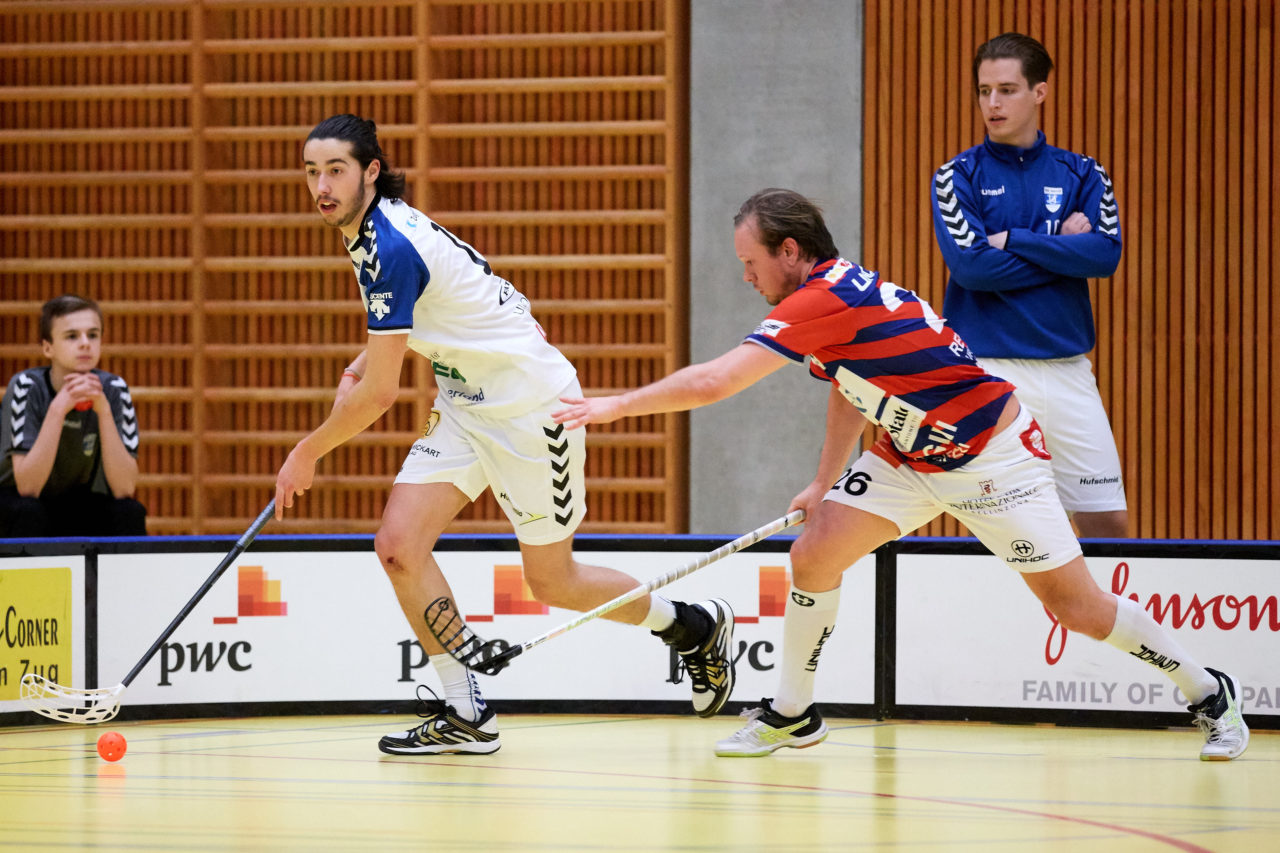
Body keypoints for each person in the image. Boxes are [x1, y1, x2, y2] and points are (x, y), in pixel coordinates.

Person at [553, 188, 1249, 761]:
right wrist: (824, 481)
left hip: (991, 459)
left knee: (1077, 608)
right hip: (908, 457)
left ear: (789, 252)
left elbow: (714, 382)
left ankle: (1207, 689)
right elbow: (845, 386)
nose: (747, 277)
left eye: (750, 262)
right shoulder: (832, 298)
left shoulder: (822, 300)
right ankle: (792, 711)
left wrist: (613, 406)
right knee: (815, 552)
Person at [273, 114, 734, 756]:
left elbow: (381, 396)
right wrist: (363, 357)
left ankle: (690, 627)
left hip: (531, 411)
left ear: (371, 172)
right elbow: (428, 315)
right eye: (311, 171)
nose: (321, 185)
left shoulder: (389, 244)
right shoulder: (367, 232)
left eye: (336, 171)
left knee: (552, 581)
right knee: (399, 545)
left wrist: (306, 452)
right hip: (465, 402)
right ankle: (464, 710)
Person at [930, 32, 1128, 539]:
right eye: (983, 91)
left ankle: (1096, 620)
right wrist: (1062, 246)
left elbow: (1104, 256)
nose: (992, 103)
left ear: (1039, 92)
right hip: (989, 370)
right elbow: (972, 269)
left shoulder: (1084, 173)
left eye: (1007, 89)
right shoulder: (956, 177)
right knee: (1005, 524)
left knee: (1107, 522)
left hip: (1068, 370)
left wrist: (1014, 238)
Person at [0, 295, 146, 538]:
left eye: (93, 334)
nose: (85, 343)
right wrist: (58, 409)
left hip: (75, 500)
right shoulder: (27, 387)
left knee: (128, 512)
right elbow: (28, 488)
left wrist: (104, 411)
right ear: (48, 348)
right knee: (28, 511)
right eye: (72, 336)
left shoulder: (114, 389)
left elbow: (124, 488)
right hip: (15, 500)